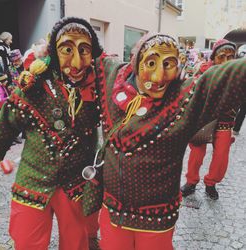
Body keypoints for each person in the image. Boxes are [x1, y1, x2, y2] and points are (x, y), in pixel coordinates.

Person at [82, 33, 246, 250]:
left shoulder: (185, 98)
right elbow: (92, 55)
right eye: (151, 63)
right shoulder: (114, 80)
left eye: (168, 64)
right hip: (114, 213)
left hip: (156, 220)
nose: (159, 76)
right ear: (136, 62)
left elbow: (228, 76)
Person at [0, 17, 102, 250]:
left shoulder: (99, 88)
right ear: (53, 51)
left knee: (76, 243)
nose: (76, 61)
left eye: (84, 50)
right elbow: (4, 127)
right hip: (33, 181)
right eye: (67, 49)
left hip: (76, 183)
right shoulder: (33, 85)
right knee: (26, 242)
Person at [181, 39, 237, 200]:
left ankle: (211, 183)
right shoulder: (204, 71)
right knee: (197, 153)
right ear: (214, 57)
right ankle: (191, 182)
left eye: (230, 57)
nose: (226, 61)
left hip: (225, 120)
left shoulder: (236, 74)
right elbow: (193, 94)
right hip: (203, 120)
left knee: (221, 156)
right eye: (222, 56)